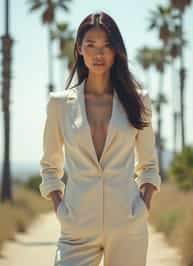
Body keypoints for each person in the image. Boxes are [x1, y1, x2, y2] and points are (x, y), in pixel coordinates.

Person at [39, 11, 161, 266]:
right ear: (79, 49)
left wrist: (142, 208)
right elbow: (50, 166)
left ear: (116, 51)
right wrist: (61, 210)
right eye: (91, 45)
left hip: (127, 226)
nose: (99, 54)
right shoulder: (60, 104)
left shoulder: (138, 101)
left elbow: (148, 165)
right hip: (77, 228)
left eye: (107, 46)